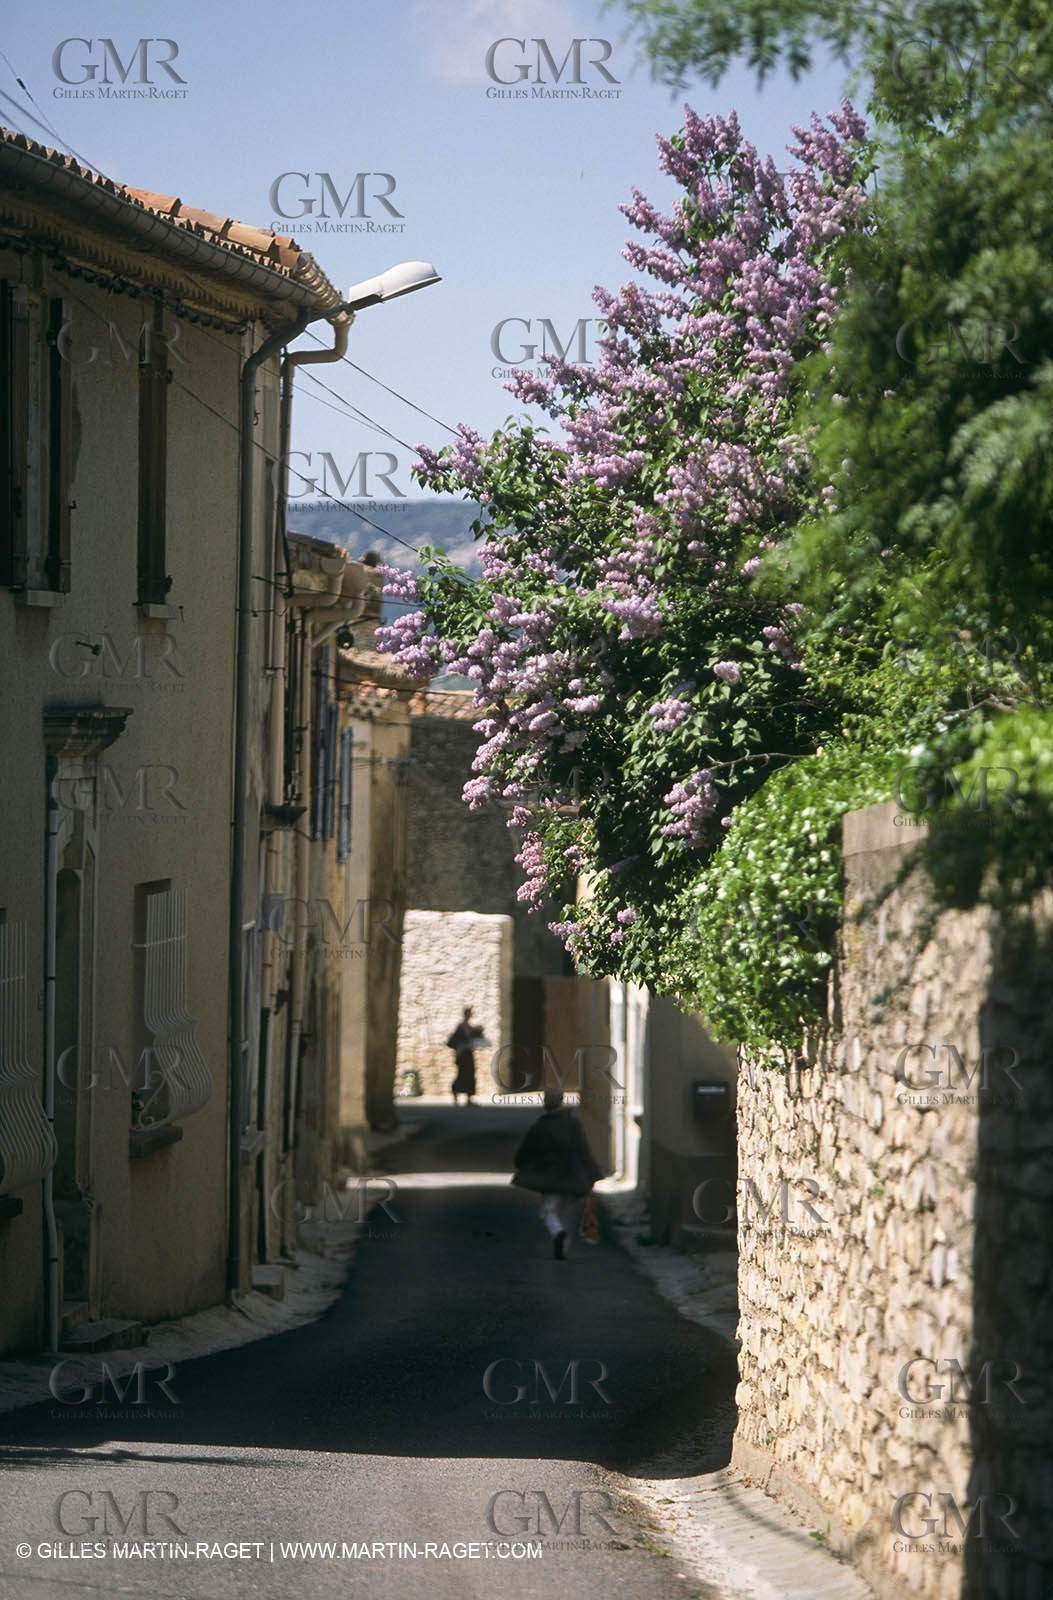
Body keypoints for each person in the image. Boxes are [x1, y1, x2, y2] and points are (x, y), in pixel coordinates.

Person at [511, 1088, 601, 1259]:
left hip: (549, 1178)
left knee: (548, 1211)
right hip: (573, 1177)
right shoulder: (573, 1125)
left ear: (545, 1104)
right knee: (567, 1213)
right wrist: (592, 1174)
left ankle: (557, 1233)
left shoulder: (540, 1127)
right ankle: (563, 1247)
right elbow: (584, 1151)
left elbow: (525, 1152)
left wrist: (521, 1165)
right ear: (561, 1102)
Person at [446, 1006, 483, 1105]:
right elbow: (455, 1040)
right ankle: (456, 1095)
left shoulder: (470, 1028)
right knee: (461, 1074)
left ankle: (469, 1098)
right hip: (462, 1054)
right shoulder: (461, 1027)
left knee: (470, 1074)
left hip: (468, 1053)